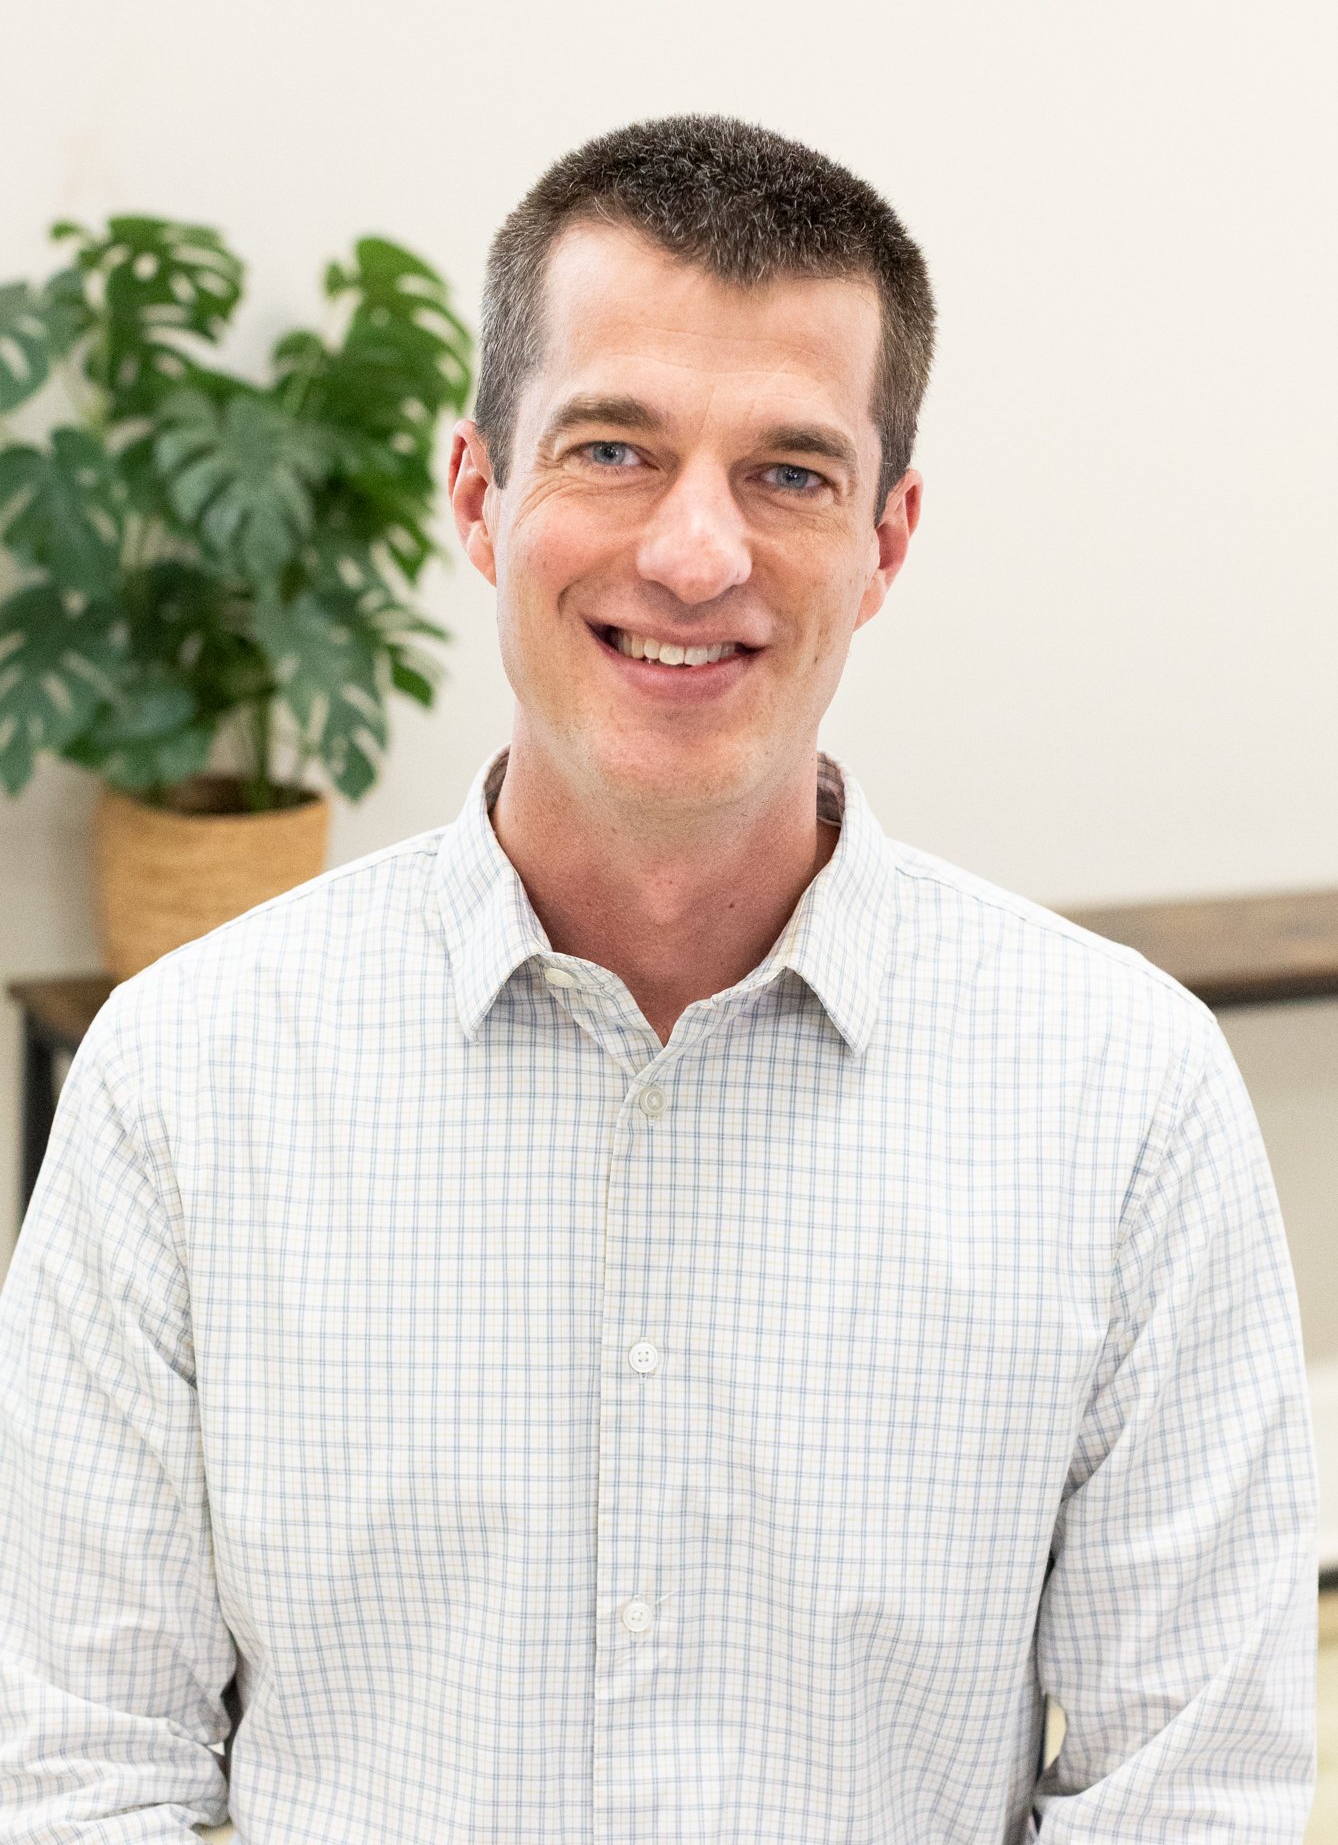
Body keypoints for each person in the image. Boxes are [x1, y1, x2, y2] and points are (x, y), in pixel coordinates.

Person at [0, 114, 1317, 1844]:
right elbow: (74, 1762)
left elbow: (1189, 1794)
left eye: (788, 472)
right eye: (613, 449)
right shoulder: (184, 1076)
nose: (695, 555)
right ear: (479, 494)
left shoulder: (1124, 1093)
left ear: (886, 540)